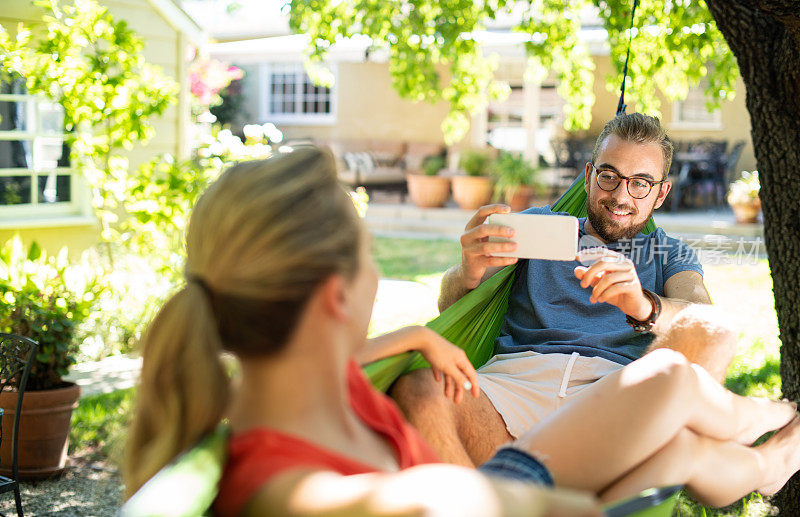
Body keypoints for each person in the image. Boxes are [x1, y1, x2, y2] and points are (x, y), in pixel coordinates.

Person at [124, 148, 800, 517]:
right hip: (512, 485)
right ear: (337, 295)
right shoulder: (310, 490)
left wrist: (416, 336)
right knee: (670, 393)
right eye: (369, 254)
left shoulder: (290, 390)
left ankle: (764, 450)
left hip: (512, 474)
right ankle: (765, 420)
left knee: (671, 402)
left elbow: (357, 356)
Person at [389, 113, 739, 466]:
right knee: (418, 391)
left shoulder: (668, 252)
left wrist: (643, 304)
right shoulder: (538, 227)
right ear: (588, 177)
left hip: (611, 399)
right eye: (609, 177)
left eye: (640, 184)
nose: (621, 196)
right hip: (514, 386)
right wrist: (468, 268)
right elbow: (452, 306)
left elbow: (704, 317)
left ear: (661, 193)